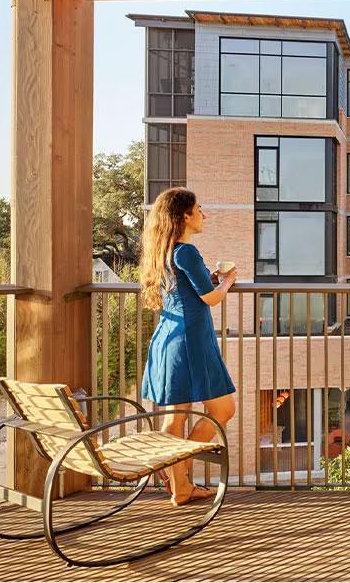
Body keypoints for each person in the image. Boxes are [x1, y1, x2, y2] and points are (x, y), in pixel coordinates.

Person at [140, 187, 237, 505]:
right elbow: (210, 298)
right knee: (223, 410)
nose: (203, 214)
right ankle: (180, 477)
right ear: (185, 215)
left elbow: (187, 288)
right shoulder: (186, 251)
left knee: (175, 418)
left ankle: (180, 485)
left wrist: (206, 278)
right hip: (191, 344)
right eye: (199, 209)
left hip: (168, 342)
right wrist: (226, 282)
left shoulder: (163, 251)